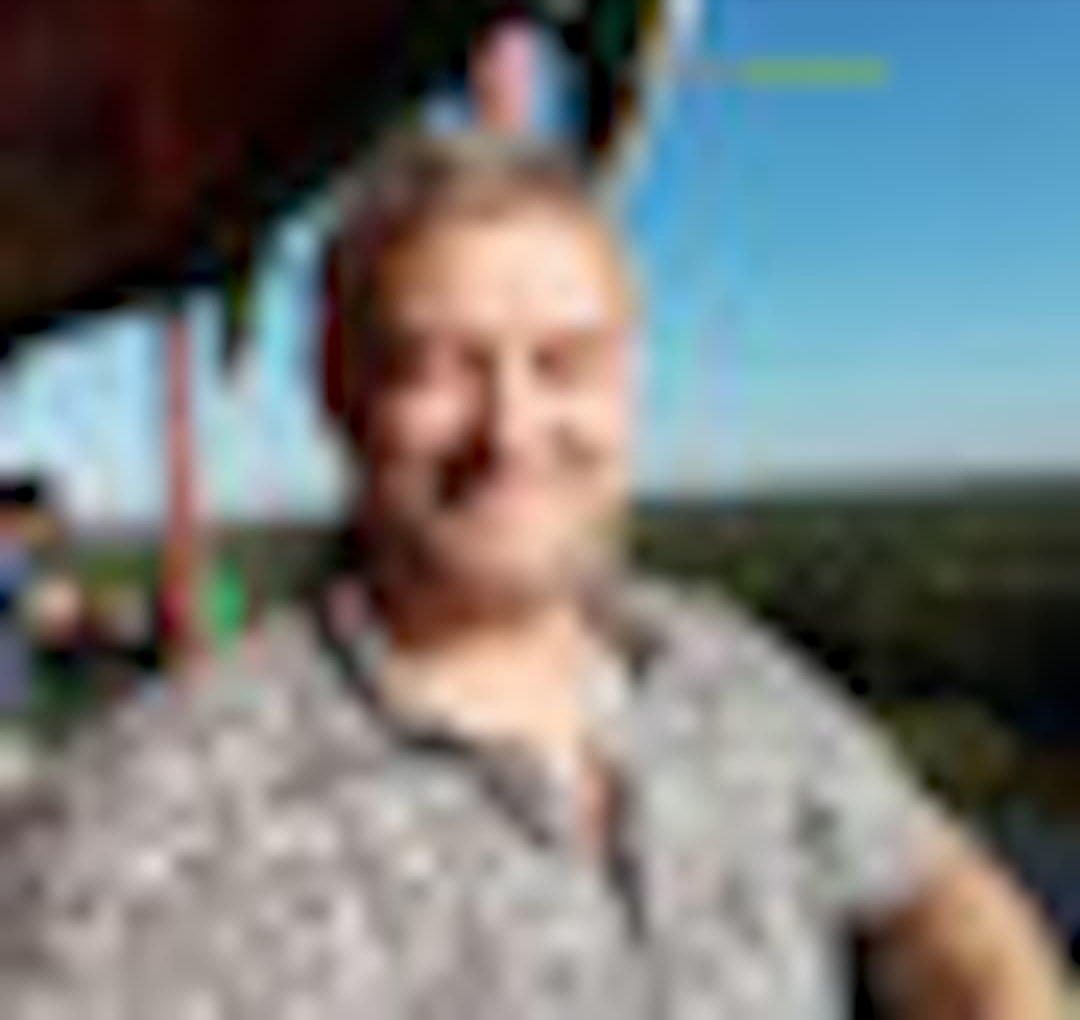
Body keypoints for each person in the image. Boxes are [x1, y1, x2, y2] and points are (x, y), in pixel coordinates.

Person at [2, 134, 1065, 1019]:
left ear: (627, 388)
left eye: (565, 364)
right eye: (440, 367)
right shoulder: (157, 822)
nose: (512, 432)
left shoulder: (716, 668)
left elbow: (932, 884)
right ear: (337, 390)